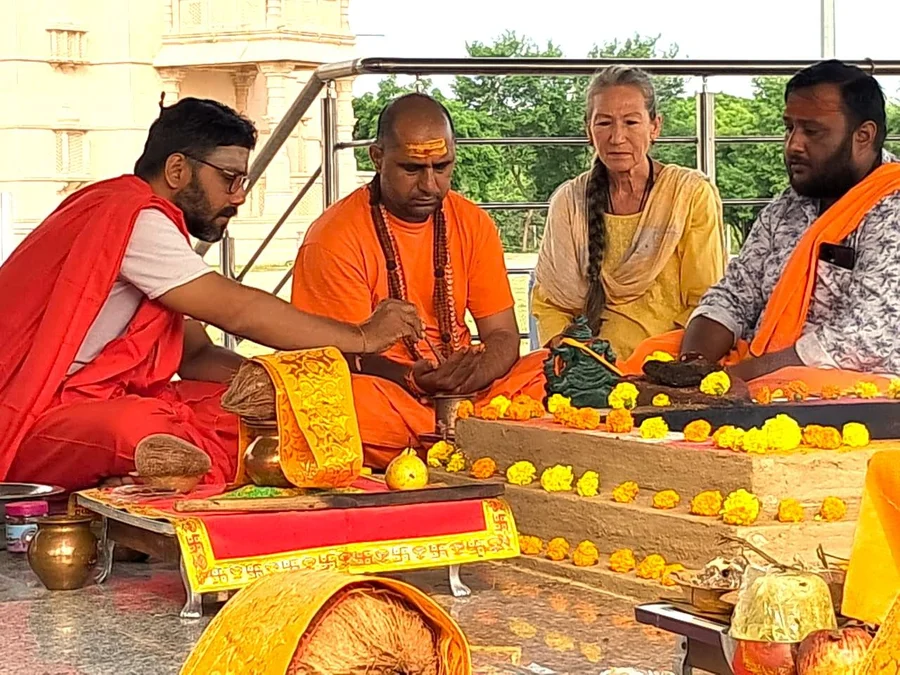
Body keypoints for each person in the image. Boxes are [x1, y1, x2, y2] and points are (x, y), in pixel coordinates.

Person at [0, 97, 422, 492]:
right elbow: (237, 309)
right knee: (142, 427)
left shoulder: (137, 216)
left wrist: (278, 385)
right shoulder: (134, 217)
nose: (238, 196)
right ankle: (144, 488)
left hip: (89, 407)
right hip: (30, 419)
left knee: (257, 415)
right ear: (178, 169)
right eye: (229, 178)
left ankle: (139, 482)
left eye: (243, 180)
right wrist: (361, 336)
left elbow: (196, 355)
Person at [291, 93, 546, 467]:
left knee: (552, 366)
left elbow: (504, 334)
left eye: (442, 167)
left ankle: (468, 429)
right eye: (412, 169)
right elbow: (337, 357)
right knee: (337, 403)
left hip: (469, 388)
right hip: (390, 393)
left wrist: (469, 378)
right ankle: (486, 434)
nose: (430, 185)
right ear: (377, 158)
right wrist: (414, 379)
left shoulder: (472, 222)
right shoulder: (333, 238)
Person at [621, 60, 900, 392]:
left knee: (800, 384)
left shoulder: (892, 205)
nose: (793, 144)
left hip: (847, 382)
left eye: (812, 131)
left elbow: (865, 338)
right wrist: (691, 371)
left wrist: (736, 378)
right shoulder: (787, 206)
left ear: (863, 136)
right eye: (789, 128)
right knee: (651, 357)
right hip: (759, 363)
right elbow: (734, 293)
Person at [531, 65, 726, 361]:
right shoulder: (568, 203)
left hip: (671, 363)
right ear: (588, 130)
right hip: (587, 367)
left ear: (655, 127)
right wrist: (578, 361)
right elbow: (551, 305)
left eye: (631, 122)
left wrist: (651, 363)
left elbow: (705, 303)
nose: (617, 137)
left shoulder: (689, 194)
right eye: (604, 123)